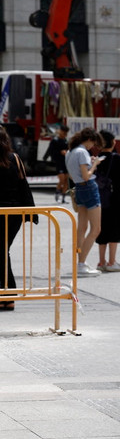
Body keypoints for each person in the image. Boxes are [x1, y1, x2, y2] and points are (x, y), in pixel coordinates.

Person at [0, 127, 37, 311]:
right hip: (14, 213)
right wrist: (30, 212)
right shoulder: (14, 158)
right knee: (3, 251)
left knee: (2, 252)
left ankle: (7, 295)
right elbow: (24, 184)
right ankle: (7, 296)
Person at [65, 127, 105, 276]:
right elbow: (87, 176)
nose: (92, 147)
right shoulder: (82, 152)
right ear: (89, 140)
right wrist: (95, 164)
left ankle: (80, 262)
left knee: (81, 227)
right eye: (92, 143)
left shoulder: (70, 151)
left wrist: (90, 163)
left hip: (78, 188)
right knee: (96, 229)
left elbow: (72, 175)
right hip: (88, 187)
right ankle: (81, 263)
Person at [95, 131, 120, 272]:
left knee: (103, 226)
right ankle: (112, 261)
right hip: (117, 196)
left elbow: (115, 163)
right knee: (115, 226)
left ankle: (101, 261)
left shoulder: (98, 158)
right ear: (112, 142)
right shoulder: (116, 158)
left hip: (101, 196)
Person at [45, 125, 70, 203]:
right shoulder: (55, 140)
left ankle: (63, 197)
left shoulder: (66, 141)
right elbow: (51, 151)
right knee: (62, 179)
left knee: (66, 180)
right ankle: (57, 191)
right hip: (59, 162)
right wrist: (59, 152)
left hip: (66, 162)